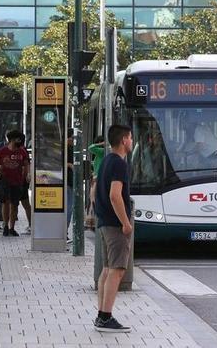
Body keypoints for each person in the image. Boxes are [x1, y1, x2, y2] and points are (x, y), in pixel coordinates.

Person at [93, 124, 134, 333]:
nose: (132, 142)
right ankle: (106, 317)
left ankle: (101, 315)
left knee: (107, 270)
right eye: (130, 138)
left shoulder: (106, 160)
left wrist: (97, 214)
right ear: (124, 140)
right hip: (115, 225)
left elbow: (93, 191)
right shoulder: (119, 164)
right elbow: (115, 195)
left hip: (104, 222)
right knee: (117, 270)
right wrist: (126, 223)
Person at [0, 130, 30, 237]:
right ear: (12, 139)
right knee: (5, 204)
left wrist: (27, 175)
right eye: (19, 139)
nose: (21, 141)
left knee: (14, 205)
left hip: (17, 181)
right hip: (4, 181)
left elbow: (26, 164)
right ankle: (5, 226)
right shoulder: (1, 151)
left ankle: (12, 228)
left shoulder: (22, 152)